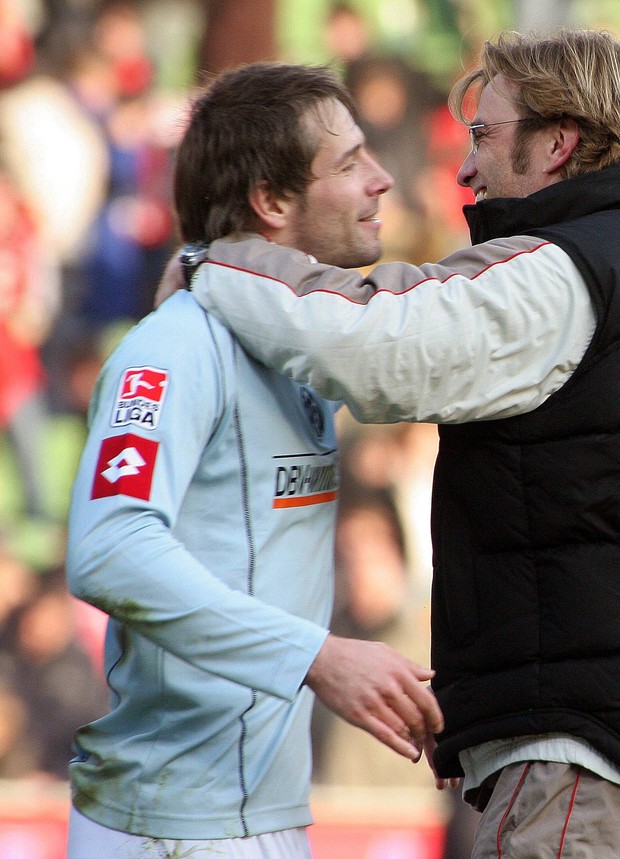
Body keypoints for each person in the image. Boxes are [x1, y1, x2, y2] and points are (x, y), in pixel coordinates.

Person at [182, 29, 620, 857]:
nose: (464, 172)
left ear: (557, 143)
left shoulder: (567, 269)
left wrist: (207, 265)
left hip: (598, 762)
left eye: (484, 137)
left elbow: (372, 341)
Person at [64, 62, 443, 859]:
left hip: (259, 814)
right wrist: (316, 655)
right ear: (270, 202)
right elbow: (110, 548)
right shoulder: (173, 348)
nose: (380, 181)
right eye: (348, 164)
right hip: (169, 826)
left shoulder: (298, 347)